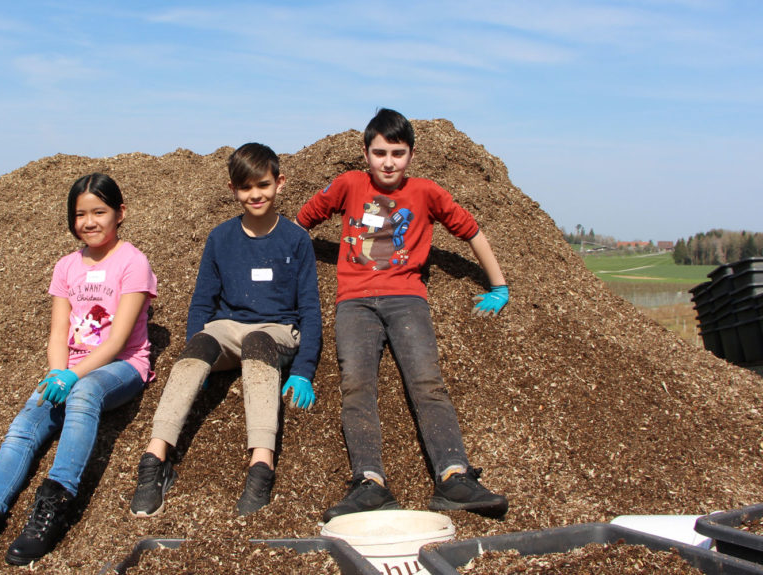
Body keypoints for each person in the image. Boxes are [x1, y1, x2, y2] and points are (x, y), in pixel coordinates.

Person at [0, 173, 158, 565]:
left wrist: (73, 378)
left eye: (99, 212)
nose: (89, 222)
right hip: (71, 366)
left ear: (120, 213)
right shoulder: (66, 266)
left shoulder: (133, 262)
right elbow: (58, 333)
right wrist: (57, 373)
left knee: (85, 393)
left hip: (122, 366)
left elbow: (115, 341)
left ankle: (53, 506)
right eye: (80, 214)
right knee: (26, 422)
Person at [296, 108, 510, 522]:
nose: (388, 162)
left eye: (398, 152)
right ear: (365, 153)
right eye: (380, 152)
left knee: (428, 382)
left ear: (411, 154)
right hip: (354, 301)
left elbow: (471, 231)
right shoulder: (347, 184)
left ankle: (454, 477)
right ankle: (369, 482)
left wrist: (498, 285)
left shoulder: (427, 193)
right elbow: (301, 223)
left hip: (407, 298)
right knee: (357, 386)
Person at [129, 142, 322, 518]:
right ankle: (155, 459)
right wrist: (194, 359)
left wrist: (303, 371)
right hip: (227, 329)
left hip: (276, 331)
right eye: (246, 187)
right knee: (202, 343)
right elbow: (202, 301)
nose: (255, 194)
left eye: (262, 185)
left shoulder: (296, 240)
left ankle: (261, 464)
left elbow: (310, 309)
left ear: (279, 183)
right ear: (233, 189)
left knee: (258, 340)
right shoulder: (221, 238)